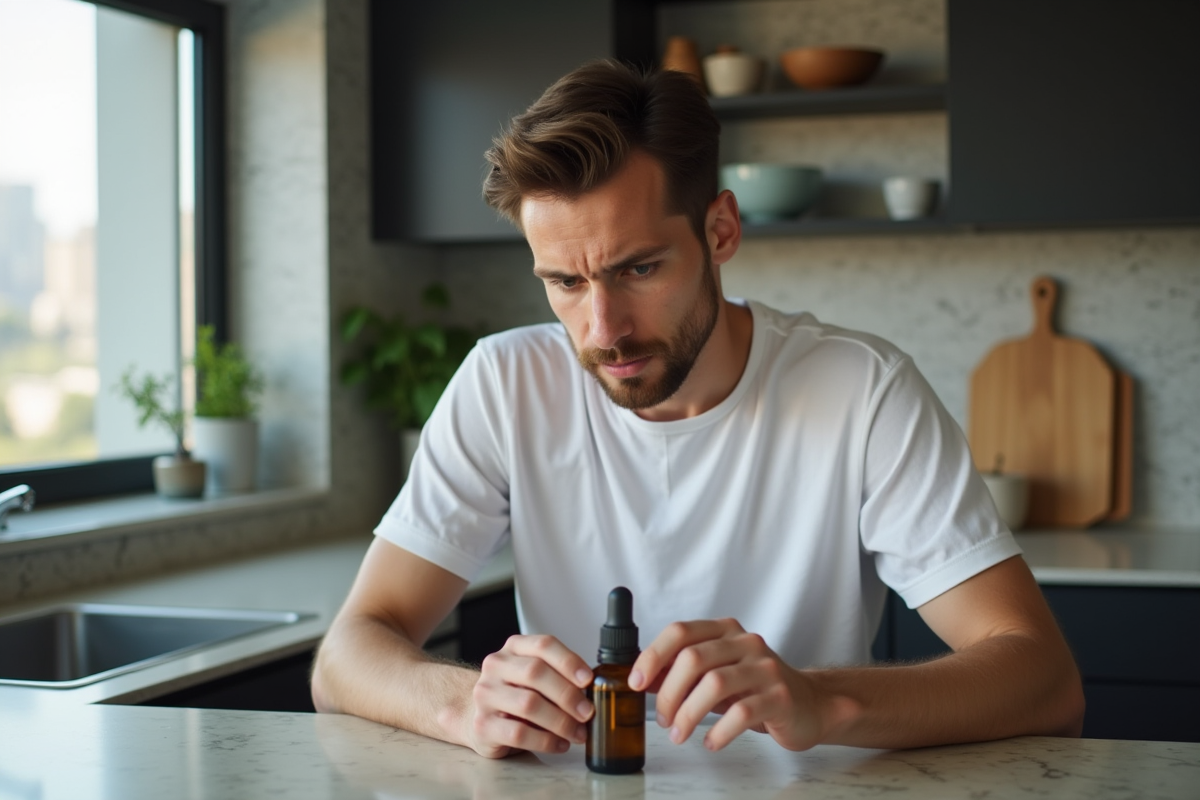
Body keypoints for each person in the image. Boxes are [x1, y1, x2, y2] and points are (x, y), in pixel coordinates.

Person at [312, 60, 1084, 757]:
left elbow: (1044, 680)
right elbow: (348, 652)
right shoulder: (505, 383)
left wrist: (821, 699)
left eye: (638, 267)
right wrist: (464, 704)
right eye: (566, 283)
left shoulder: (863, 389)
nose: (603, 331)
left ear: (720, 230)